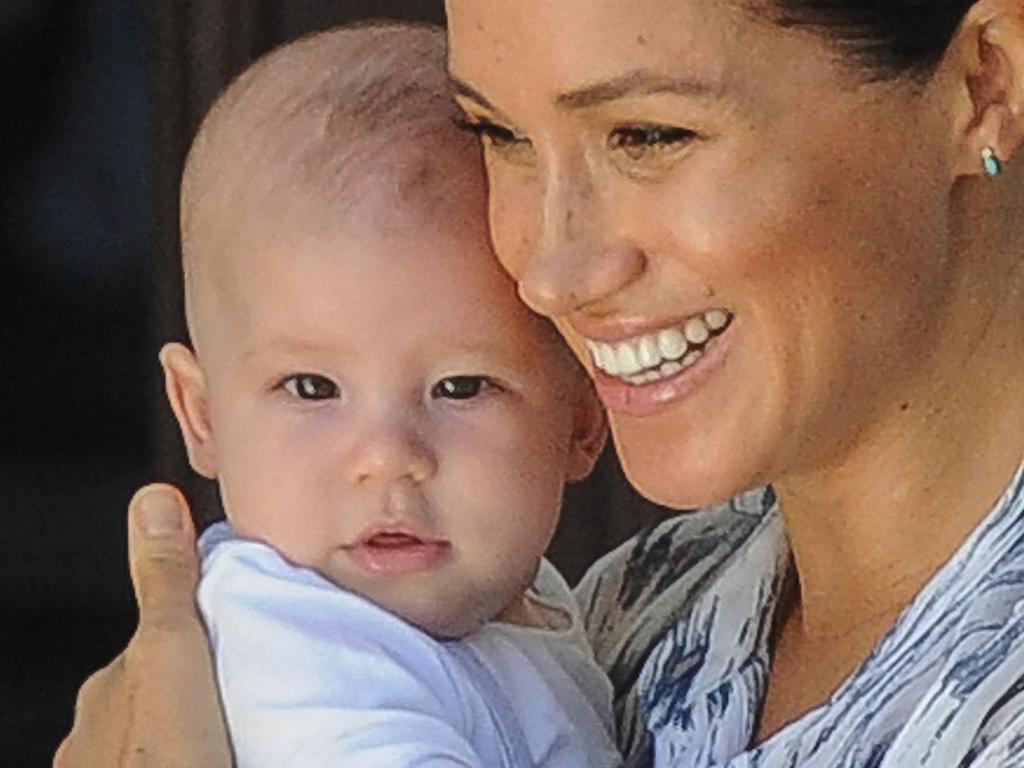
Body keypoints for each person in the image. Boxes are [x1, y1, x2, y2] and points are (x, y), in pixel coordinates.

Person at [56, 0, 1024, 766]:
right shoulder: (627, 609)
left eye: (648, 136)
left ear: (985, 81)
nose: (547, 268)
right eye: (500, 135)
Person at [139, 23, 621, 768]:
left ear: (582, 420)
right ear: (203, 415)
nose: (389, 458)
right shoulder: (290, 638)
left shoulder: (528, 598)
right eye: (312, 388)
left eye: (460, 388)